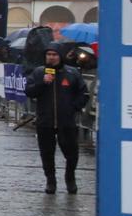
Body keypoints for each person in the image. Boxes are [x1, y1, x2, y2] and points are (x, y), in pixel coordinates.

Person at [25, 44, 89, 194]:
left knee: (71, 153)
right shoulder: (39, 72)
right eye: (49, 55)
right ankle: (50, 180)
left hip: (66, 122)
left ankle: (70, 178)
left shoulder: (72, 73)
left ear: (60, 56)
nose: (51, 57)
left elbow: (83, 93)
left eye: (54, 55)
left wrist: (73, 107)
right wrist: (42, 83)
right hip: (45, 121)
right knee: (47, 153)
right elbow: (29, 91)